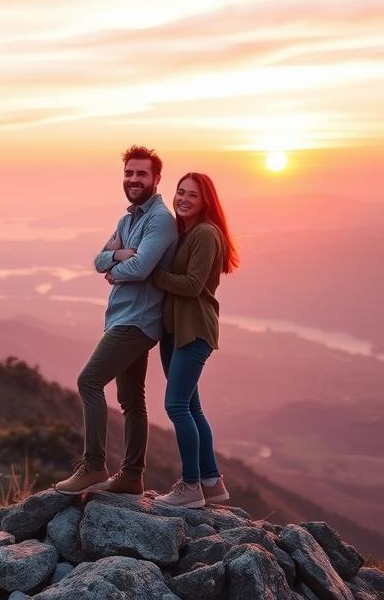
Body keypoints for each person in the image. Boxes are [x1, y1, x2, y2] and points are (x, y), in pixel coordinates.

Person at [54, 145, 177, 496]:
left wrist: (117, 269)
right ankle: (132, 476)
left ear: (156, 178)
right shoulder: (127, 220)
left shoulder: (160, 220)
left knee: (88, 381)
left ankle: (93, 466)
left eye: (141, 174)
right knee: (131, 399)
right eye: (129, 173)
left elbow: (139, 270)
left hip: (137, 321)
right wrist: (119, 255)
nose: (133, 179)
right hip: (121, 317)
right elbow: (98, 259)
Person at [149, 172, 241, 508]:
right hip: (176, 330)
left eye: (193, 195)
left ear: (206, 201)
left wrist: (150, 273)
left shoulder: (205, 233)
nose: (184, 199)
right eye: (180, 192)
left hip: (194, 330)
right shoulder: (187, 232)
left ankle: (190, 487)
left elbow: (191, 285)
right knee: (191, 406)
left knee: (176, 406)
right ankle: (211, 481)